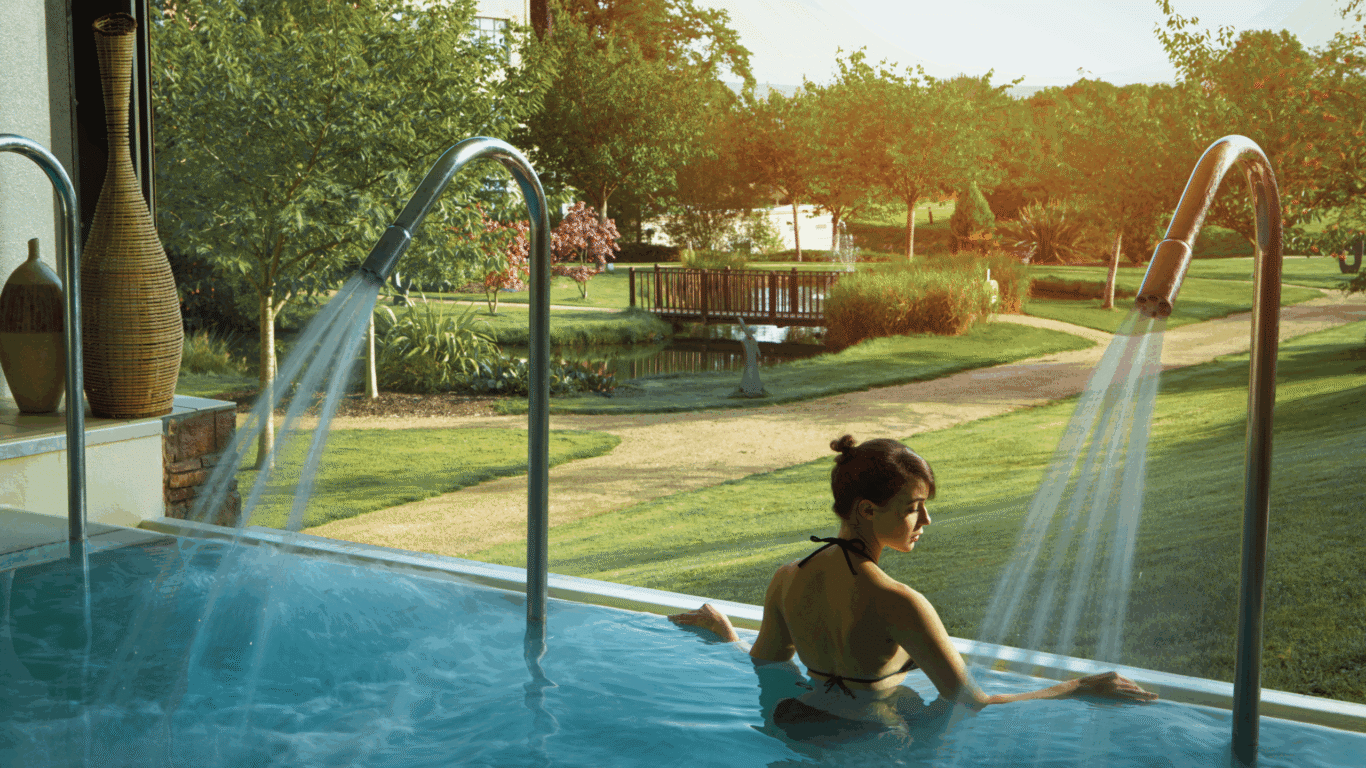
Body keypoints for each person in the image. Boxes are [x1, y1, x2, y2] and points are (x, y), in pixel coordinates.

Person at [669, 435, 1157, 737]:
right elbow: (975, 704)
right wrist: (1079, 685)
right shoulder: (899, 603)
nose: (926, 520)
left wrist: (726, 635)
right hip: (872, 742)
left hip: (794, 727)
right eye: (912, 508)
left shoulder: (786, 579)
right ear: (867, 510)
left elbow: (766, 668)